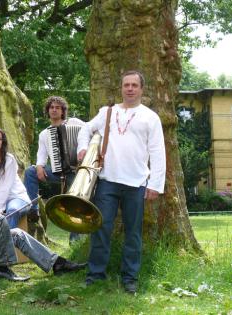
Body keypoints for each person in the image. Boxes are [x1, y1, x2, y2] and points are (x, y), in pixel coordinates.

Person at [77, 70, 166, 293]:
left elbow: (157, 152)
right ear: (121, 88)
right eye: (126, 85)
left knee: (133, 233)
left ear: (141, 89)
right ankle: (95, 275)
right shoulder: (107, 112)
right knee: (101, 229)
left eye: (134, 85)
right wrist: (82, 148)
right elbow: (85, 129)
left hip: (136, 184)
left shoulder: (150, 117)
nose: (130, 88)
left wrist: (155, 184)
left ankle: (130, 278)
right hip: (107, 181)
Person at [23, 96, 83, 242]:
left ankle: (74, 241)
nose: (54, 110)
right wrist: (39, 167)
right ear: (48, 111)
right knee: (30, 172)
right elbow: (41, 156)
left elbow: (89, 133)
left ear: (63, 111)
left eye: (58, 107)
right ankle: (33, 210)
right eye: (52, 107)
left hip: (78, 171)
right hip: (58, 171)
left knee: (75, 202)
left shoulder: (75, 122)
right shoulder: (45, 134)